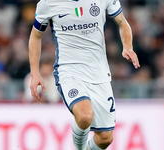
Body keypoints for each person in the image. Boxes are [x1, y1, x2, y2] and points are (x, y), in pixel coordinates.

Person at [29, 0, 140, 149]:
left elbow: (122, 22)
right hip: (69, 71)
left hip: (99, 74)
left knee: (105, 138)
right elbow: (35, 37)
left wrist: (128, 46)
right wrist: (35, 73)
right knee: (84, 116)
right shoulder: (48, 3)